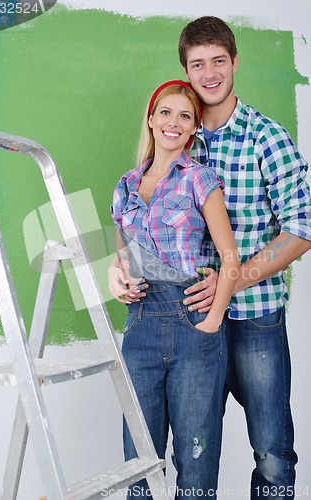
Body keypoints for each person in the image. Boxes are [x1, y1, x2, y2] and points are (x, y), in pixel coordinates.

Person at [176, 16, 311, 500]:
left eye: (218, 61)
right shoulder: (178, 138)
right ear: (186, 71)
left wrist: (232, 281)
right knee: (193, 450)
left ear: (234, 62)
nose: (209, 73)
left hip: (256, 319)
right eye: (198, 64)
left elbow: (304, 227)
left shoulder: (265, 137)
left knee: (273, 450)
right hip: (188, 317)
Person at [109, 80, 240, 499]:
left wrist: (212, 321)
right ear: (151, 119)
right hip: (141, 322)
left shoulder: (201, 179)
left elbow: (230, 259)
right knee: (140, 461)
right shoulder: (125, 186)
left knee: (195, 459)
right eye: (165, 112)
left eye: (185, 116)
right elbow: (121, 259)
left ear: (193, 129)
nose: (173, 122)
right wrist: (118, 279)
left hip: (193, 323)